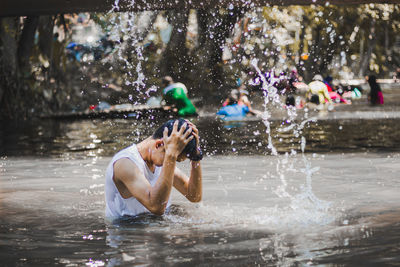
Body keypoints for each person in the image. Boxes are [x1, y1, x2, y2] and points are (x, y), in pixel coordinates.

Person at [105, 119, 203, 218]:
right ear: (159, 144)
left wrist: (196, 156)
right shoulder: (125, 163)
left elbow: (194, 196)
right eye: (173, 158)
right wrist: (171, 156)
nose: (172, 163)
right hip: (128, 227)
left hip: (151, 223)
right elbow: (156, 208)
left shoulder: (161, 159)